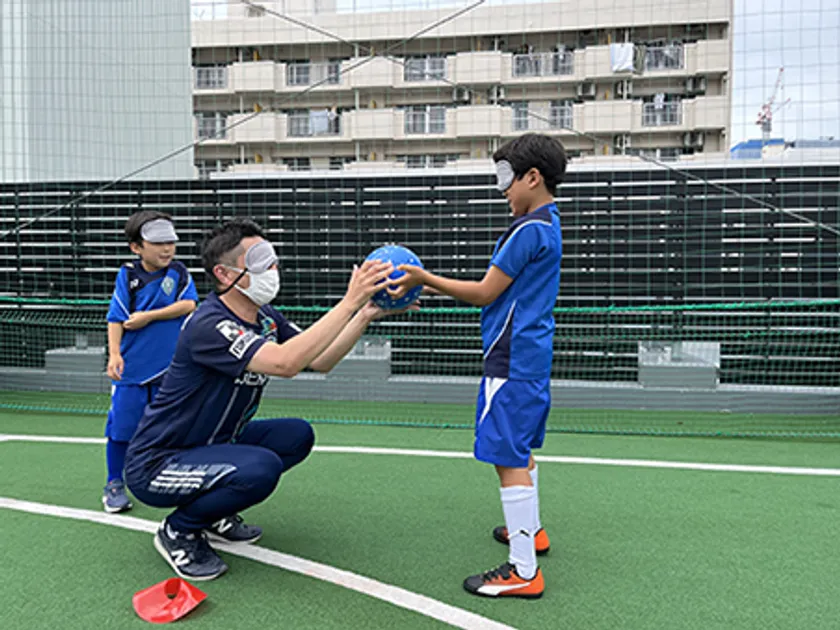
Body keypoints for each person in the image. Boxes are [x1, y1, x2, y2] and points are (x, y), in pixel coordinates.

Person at [125, 218, 403, 581]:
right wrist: (349, 299)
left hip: (211, 444)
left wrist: (363, 313)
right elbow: (285, 363)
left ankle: (212, 512)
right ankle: (179, 529)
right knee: (260, 468)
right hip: (158, 462)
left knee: (296, 436)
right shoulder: (210, 324)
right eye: (260, 263)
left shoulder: (265, 318)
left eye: (272, 260)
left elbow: (320, 360)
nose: (272, 270)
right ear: (225, 275)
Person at [388, 133, 566, 599]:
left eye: (507, 179)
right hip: (530, 357)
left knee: (507, 456)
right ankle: (532, 531)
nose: (502, 189)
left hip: (510, 359)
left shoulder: (526, 230)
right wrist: (425, 287)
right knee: (520, 448)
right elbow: (500, 291)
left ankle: (523, 571)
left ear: (533, 177)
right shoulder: (548, 223)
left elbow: (486, 291)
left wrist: (424, 278)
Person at [103, 212, 198, 513]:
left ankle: (172, 482)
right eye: (157, 243)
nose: (167, 249)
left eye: (170, 242)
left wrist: (150, 316)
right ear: (136, 247)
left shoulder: (180, 273)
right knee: (122, 429)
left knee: (172, 429)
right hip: (132, 370)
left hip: (171, 370)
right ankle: (115, 483)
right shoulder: (127, 276)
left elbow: (189, 304)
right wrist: (115, 354)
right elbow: (116, 317)